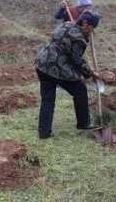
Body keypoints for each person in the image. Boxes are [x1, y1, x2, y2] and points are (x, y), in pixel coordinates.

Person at [34, 10, 102, 139]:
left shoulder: (65, 24)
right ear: (86, 23)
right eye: (92, 27)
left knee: (47, 100)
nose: (92, 31)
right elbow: (77, 60)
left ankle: (44, 132)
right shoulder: (80, 39)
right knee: (80, 90)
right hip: (56, 68)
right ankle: (83, 123)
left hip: (42, 64)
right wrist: (91, 73)